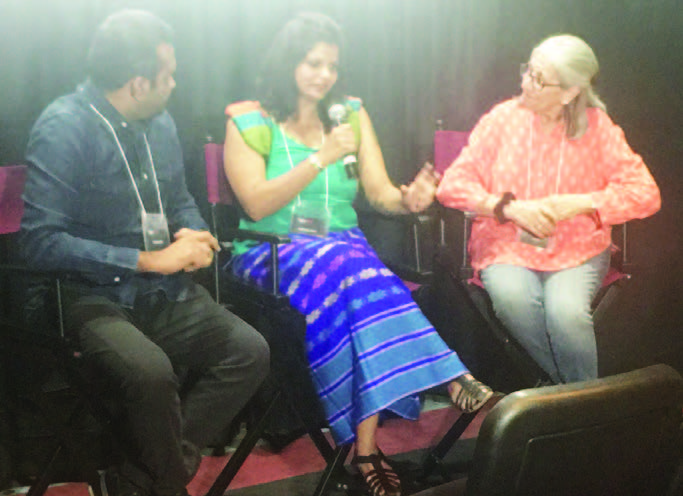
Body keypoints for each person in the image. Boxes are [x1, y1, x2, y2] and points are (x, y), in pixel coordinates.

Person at [223, 12, 492, 496]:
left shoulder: (349, 113)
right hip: (273, 250)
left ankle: (367, 450)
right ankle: (448, 378)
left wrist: (408, 200)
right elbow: (256, 202)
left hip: (343, 252)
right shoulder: (250, 119)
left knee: (361, 279)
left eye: (332, 66)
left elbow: (379, 193)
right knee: (361, 273)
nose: (325, 76)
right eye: (313, 64)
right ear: (288, 63)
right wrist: (319, 158)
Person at [19, 10, 270, 496]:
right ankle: (165, 484)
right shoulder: (64, 127)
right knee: (151, 373)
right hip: (86, 297)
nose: (174, 84)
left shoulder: (160, 124)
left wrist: (193, 234)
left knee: (249, 351)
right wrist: (147, 261)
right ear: (137, 84)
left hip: (163, 291)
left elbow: (179, 201)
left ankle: (139, 482)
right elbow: (40, 242)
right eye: (168, 75)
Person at [437, 34, 660, 384]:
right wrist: (506, 208)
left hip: (577, 250)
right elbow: (451, 186)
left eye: (540, 79)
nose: (526, 82)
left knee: (566, 314)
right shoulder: (502, 120)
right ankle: (579, 404)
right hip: (506, 244)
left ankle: (560, 402)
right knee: (513, 300)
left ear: (571, 91)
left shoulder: (599, 129)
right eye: (528, 70)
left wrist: (581, 202)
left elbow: (646, 193)